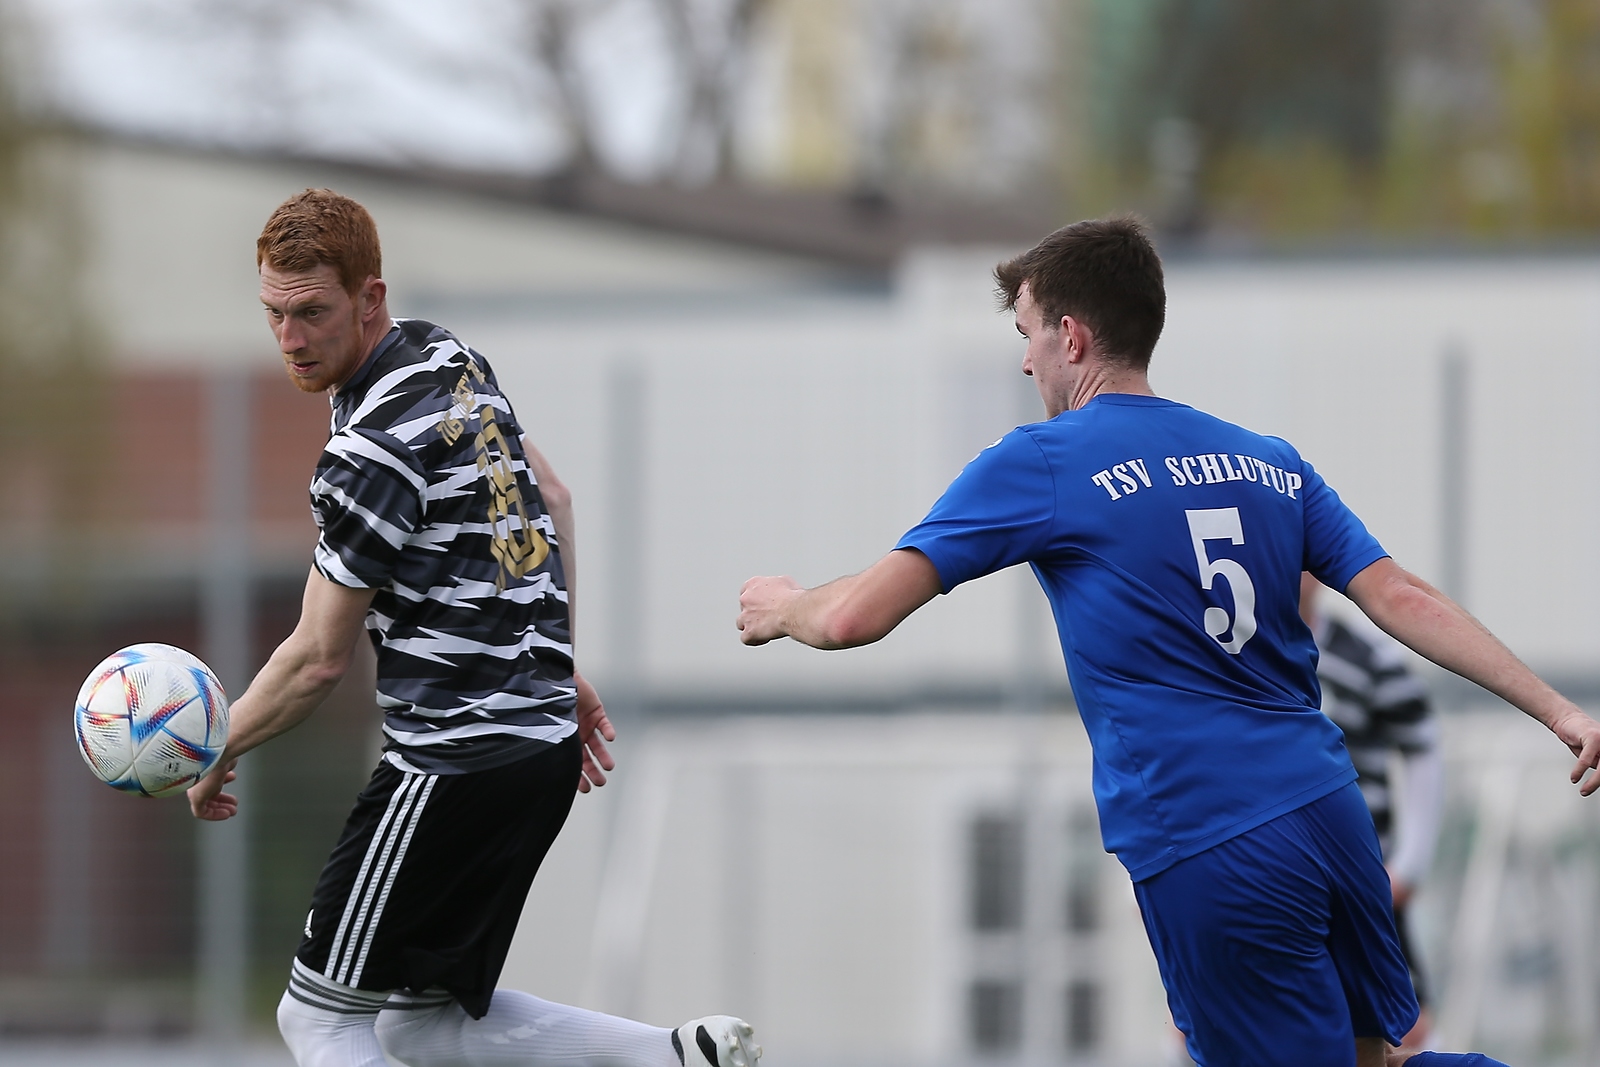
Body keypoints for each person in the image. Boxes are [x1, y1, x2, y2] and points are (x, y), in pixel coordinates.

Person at [735, 217, 1600, 1067]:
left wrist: (783, 607)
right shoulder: (1267, 459)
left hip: (1214, 836)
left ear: (1071, 336)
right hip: (1331, 814)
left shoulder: (1042, 460)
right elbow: (1403, 596)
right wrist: (1560, 709)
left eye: (1028, 331)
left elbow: (856, 616)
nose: (1023, 357)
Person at [187, 189, 762, 1067]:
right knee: (421, 1019)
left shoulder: (365, 452)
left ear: (369, 298)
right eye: (274, 314)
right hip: (538, 745)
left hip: (453, 758)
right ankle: (679, 1055)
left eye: (312, 313)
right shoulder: (447, 356)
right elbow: (550, 499)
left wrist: (220, 744)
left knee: (318, 1018)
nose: (291, 340)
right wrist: (552, 658)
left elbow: (315, 659)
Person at [1303, 574, 1441, 1049]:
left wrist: (1408, 866)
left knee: (1403, 1028)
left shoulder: (1367, 658)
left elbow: (1423, 747)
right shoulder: (1230, 657)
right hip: (1271, 877)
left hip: (1365, 880)